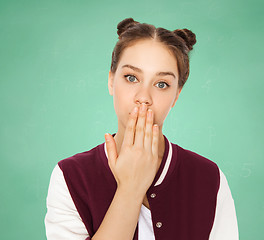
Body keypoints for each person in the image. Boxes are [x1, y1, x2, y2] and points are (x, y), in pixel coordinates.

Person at [44, 17, 238, 240]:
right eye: (131, 78)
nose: (143, 98)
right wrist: (130, 189)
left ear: (176, 95)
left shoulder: (210, 179)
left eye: (161, 84)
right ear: (111, 80)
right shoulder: (70, 177)